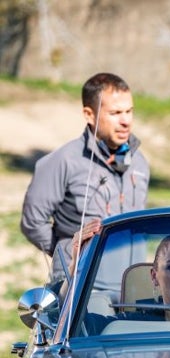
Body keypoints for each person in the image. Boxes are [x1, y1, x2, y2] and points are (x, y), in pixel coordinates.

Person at [21, 72, 150, 285]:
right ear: (89, 115)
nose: (126, 121)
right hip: (80, 288)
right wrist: (68, 255)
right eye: (116, 113)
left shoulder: (140, 163)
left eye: (129, 111)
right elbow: (32, 222)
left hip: (130, 287)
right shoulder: (63, 160)